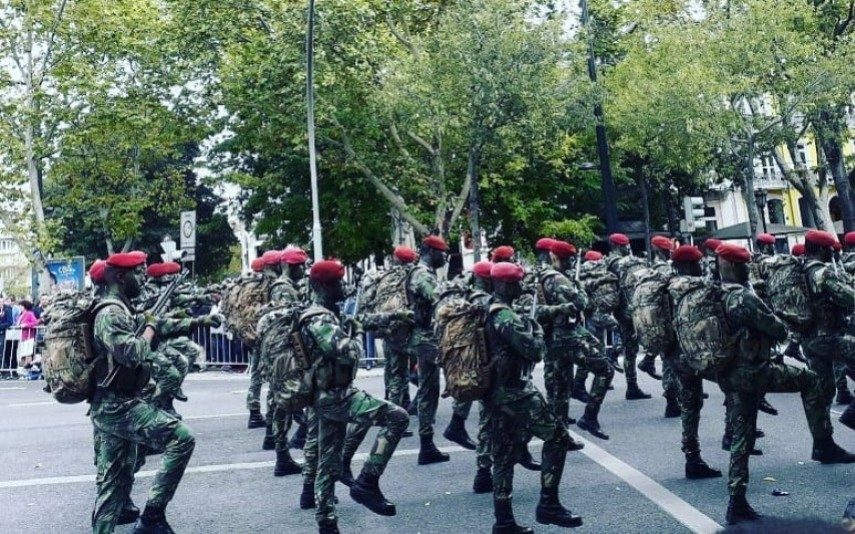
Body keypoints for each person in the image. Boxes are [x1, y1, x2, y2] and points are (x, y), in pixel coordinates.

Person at [713, 242, 853, 525]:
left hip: (728, 372)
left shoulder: (714, 294)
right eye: (743, 265)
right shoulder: (743, 297)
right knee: (810, 380)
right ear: (736, 266)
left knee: (743, 435)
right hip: (754, 370)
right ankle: (823, 442)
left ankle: (736, 502)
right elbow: (775, 329)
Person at [89, 252, 196, 533]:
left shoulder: (121, 308)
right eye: (138, 272)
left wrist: (167, 322)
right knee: (181, 438)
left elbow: (151, 328)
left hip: (118, 403)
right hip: (117, 406)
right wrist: (150, 326)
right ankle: (152, 517)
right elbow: (132, 353)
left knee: (114, 487)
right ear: (120, 277)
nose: (144, 276)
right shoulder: (110, 313)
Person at [301, 259, 409, 534]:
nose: (342, 287)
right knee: (397, 417)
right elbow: (347, 352)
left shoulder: (324, 313)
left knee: (327, 462)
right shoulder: (318, 318)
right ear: (323, 286)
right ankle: (367, 482)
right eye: (337, 283)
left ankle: (327, 525)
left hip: (327, 395)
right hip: (335, 396)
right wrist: (357, 332)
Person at [486, 261, 584, 533]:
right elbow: (534, 351)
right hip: (514, 392)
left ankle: (504, 521)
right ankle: (548, 504)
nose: (520, 286)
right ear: (505, 285)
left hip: (496, 393)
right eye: (516, 282)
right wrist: (536, 328)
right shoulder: (503, 315)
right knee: (558, 436)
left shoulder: (490, 309)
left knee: (504, 455)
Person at [666, 245, 722, 480]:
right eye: (698, 263)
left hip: (675, 355)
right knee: (734, 389)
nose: (702, 266)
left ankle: (692, 457)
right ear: (689, 265)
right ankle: (736, 437)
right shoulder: (703, 287)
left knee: (689, 406)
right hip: (699, 354)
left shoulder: (665, 288)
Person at [407, 235, 452, 464]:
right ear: (431, 252)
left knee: (429, 389)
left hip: (427, 337)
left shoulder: (425, 273)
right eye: (442, 252)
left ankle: (428, 443)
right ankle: (452, 428)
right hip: (426, 337)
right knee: (459, 374)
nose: (445, 257)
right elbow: (440, 300)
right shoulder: (423, 275)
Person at [605, 233, 651, 399]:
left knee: (629, 347)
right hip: (630, 310)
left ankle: (616, 357)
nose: (628, 248)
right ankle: (632, 385)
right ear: (619, 246)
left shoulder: (608, 263)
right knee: (634, 347)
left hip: (621, 310)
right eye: (626, 245)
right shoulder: (622, 263)